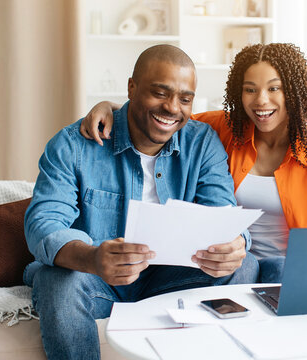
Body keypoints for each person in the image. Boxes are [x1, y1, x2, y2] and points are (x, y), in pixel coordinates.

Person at [81, 43, 307, 284]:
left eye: (274, 89)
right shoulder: (225, 130)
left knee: (278, 269)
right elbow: (167, 117)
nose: (260, 101)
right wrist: (111, 106)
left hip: (301, 269)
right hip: (237, 267)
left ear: (293, 93)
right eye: (250, 90)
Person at [24, 44, 258, 360]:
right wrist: (92, 258)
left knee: (246, 266)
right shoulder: (74, 144)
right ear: (132, 87)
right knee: (56, 281)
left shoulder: (201, 143)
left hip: (171, 278)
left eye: (185, 99)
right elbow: (44, 222)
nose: (173, 108)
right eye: (160, 93)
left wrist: (234, 244)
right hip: (98, 279)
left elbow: (222, 210)